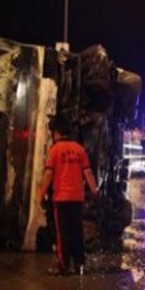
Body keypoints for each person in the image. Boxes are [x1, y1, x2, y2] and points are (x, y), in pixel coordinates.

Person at [38, 118, 99, 276]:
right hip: (77, 198)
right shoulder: (79, 149)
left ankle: (64, 266)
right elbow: (88, 172)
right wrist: (95, 191)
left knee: (63, 233)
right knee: (77, 230)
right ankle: (79, 263)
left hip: (61, 198)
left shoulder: (55, 150)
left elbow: (48, 174)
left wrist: (40, 194)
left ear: (56, 132)